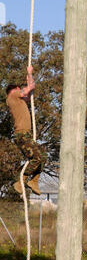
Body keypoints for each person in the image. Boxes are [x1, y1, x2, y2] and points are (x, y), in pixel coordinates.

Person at [6, 66, 47, 195]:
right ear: (16, 89)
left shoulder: (19, 100)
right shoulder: (12, 97)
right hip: (21, 135)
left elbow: (30, 89)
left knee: (43, 156)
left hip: (26, 135)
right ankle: (21, 181)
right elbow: (28, 89)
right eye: (20, 88)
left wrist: (30, 76)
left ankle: (34, 181)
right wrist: (29, 73)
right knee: (37, 157)